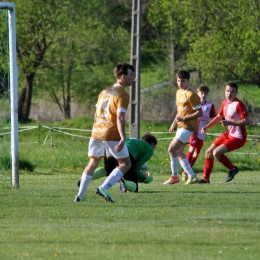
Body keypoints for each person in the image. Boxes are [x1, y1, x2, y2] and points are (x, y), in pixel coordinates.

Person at [74, 62, 135, 203]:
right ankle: (104, 187)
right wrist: (122, 137)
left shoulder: (104, 91)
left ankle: (80, 196)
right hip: (110, 131)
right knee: (125, 163)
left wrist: (96, 129)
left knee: (93, 162)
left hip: (97, 130)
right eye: (131, 75)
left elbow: (97, 112)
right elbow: (119, 117)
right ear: (123, 76)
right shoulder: (123, 94)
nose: (133, 78)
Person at [197, 82, 250, 183]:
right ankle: (205, 179)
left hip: (238, 137)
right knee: (208, 152)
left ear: (236, 93)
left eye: (232, 92)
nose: (229, 93)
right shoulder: (224, 103)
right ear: (225, 91)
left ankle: (233, 169)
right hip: (228, 134)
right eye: (227, 91)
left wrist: (230, 122)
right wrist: (207, 126)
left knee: (216, 152)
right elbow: (218, 117)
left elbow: (247, 121)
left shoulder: (238, 104)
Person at [77, 132, 157, 193]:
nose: (154, 149)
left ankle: (84, 179)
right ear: (152, 144)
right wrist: (143, 178)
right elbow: (137, 167)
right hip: (125, 153)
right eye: (155, 147)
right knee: (134, 186)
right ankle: (124, 183)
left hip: (112, 148)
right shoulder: (149, 149)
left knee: (107, 170)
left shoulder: (137, 142)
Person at [164, 70, 203, 185]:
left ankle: (175, 176)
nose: (180, 83)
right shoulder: (178, 93)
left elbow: (199, 113)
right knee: (179, 152)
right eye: (178, 80)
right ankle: (192, 176)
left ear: (188, 81)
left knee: (171, 149)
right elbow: (180, 112)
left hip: (188, 126)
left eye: (183, 81)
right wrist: (173, 124)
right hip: (181, 126)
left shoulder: (191, 94)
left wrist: (184, 119)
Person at [182, 85, 216, 181]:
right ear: (198, 93)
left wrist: (212, 120)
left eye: (205, 93)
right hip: (193, 130)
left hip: (202, 133)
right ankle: (185, 172)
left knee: (196, 154)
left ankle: (187, 172)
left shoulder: (210, 105)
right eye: (202, 93)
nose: (203, 95)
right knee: (192, 150)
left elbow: (213, 117)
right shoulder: (194, 104)